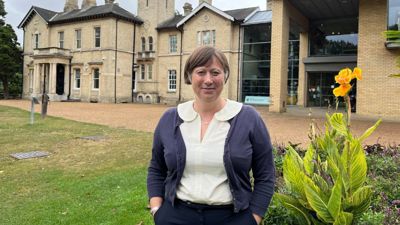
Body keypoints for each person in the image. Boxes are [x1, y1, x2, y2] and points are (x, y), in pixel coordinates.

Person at [147, 46, 275, 225]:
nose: (208, 80)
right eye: (201, 72)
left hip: (233, 217)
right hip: (175, 216)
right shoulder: (170, 118)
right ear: (190, 76)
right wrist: (157, 210)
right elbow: (156, 168)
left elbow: (266, 174)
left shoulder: (248, 118)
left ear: (225, 76)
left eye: (215, 72)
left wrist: (254, 218)